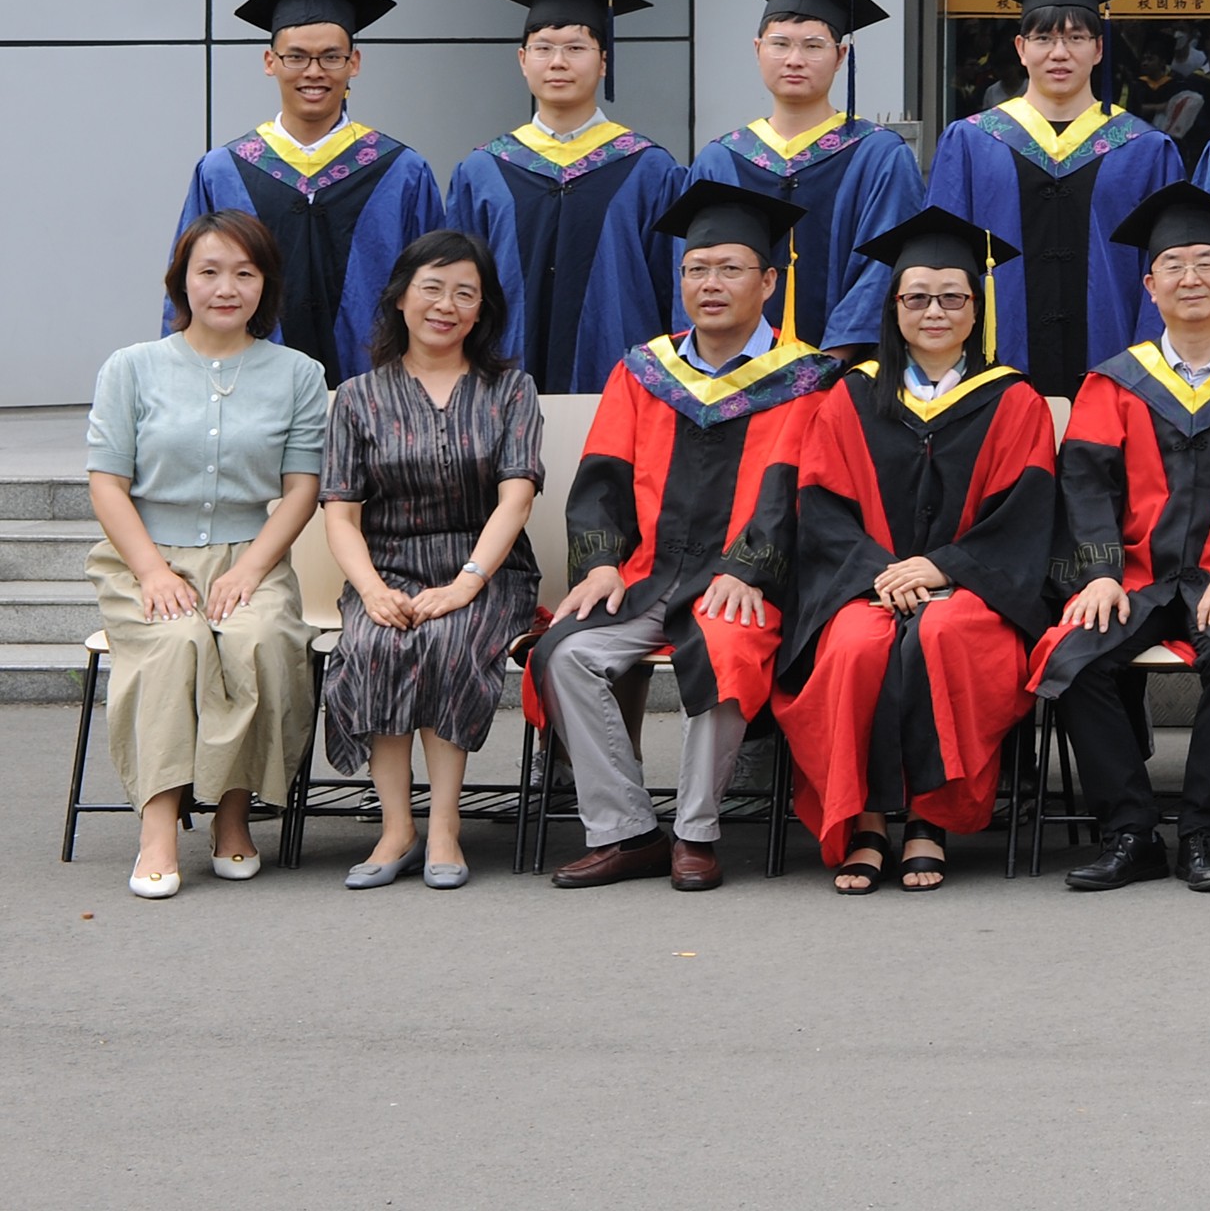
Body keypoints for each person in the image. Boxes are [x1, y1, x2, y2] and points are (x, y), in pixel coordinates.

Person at [534, 181, 848, 890]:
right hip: (650, 574)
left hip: (747, 579)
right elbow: (603, 475)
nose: (711, 284)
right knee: (568, 654)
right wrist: (601, 563)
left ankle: (696, 833)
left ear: (768, 282)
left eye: (730, 269)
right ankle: (626, 830)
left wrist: (751, 568)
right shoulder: (645, 372)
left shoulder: (808, 380)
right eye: (696, 269)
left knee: (727, 650)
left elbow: (802, 493)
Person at [762, 208, 1064, 894]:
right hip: (863, 584)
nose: (934, 312)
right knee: (855, 646)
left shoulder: (1014, 401)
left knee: (944, 633)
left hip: (973, 590)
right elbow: (822, 509)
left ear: (976, 308)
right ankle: (865, 823)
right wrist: (881, 573)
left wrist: (943, 567)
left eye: (952, 298)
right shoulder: (850, 397)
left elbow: (1026, 515)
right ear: (893, 305)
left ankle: (931, 819)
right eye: (918, 297)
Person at [1039, 182, 1210, 894]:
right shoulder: (1115, 383)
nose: (1190, 277)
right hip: (1135, 575)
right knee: (1073, 653)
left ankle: (1204, 834)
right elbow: (1084, 484)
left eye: (1206, 262)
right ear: (1150, 285)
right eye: (1173, 265)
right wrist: (1100, 572)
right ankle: (1130, 832)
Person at [85, 212, 328, 898]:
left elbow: (302, 488)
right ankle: (158, 825)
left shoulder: (298, 374)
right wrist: (151, 571)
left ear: (265, 284)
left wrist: (250, 569)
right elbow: (106, 483)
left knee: (261, 640)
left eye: (245, 274)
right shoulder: (132, 368)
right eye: (210, 272)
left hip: (252, 556)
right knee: (176, 642)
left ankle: (232, 813)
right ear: (181, 281)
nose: (227, 288)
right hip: (145, 555)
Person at [316, 228, 541, 889]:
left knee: (446, 638)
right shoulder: (357, 397)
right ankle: (397, 827)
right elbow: (340, 513)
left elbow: (516, 500)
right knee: (376, 641)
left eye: (465, 293)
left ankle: (444, 825)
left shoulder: (511, 390)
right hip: (386, 566)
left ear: (482, 309)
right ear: (400, 298)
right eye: (432, 288)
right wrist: (371, 590)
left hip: (486, 568)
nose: (446, 305)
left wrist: (467, 584)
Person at [922, 0, 1185, 395]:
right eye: (1043, 38)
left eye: (1076, 38)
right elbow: (940, 262)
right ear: (1020, 48)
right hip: (992, 377)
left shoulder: (1144, 150)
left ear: (1098, 48)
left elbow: (1166, 269)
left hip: (1118, 374)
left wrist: (1150, 369)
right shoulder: (971, 144)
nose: (1059, 53)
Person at [424, 0, 694, 395]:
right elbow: (456, 286)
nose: (558, 62)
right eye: (543, 48)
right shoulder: (483, 170)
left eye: (575, 48)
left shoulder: (649, 169)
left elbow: (675, 289)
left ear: (603, 61)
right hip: (499, 386)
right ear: (522, 60)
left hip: (621, 384)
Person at [184, 0, 440, 380]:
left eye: (331, 57)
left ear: (354, 63)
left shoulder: (402, 172)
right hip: (248, 389)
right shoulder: (222, 171)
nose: (314, 72)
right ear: (270, 62)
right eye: (297, 57)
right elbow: (187, 290)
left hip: (377, 387)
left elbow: (435, 289)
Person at [688, 0, 922, 358]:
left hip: (849, 374)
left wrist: (832, 361)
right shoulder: (720, 160)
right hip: (735, 373)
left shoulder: (879, 156)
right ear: (758, 50)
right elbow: (693, 271)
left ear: (841, 55)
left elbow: (886, 268)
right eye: (780, 44)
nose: (794, 59)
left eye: (813, 46)